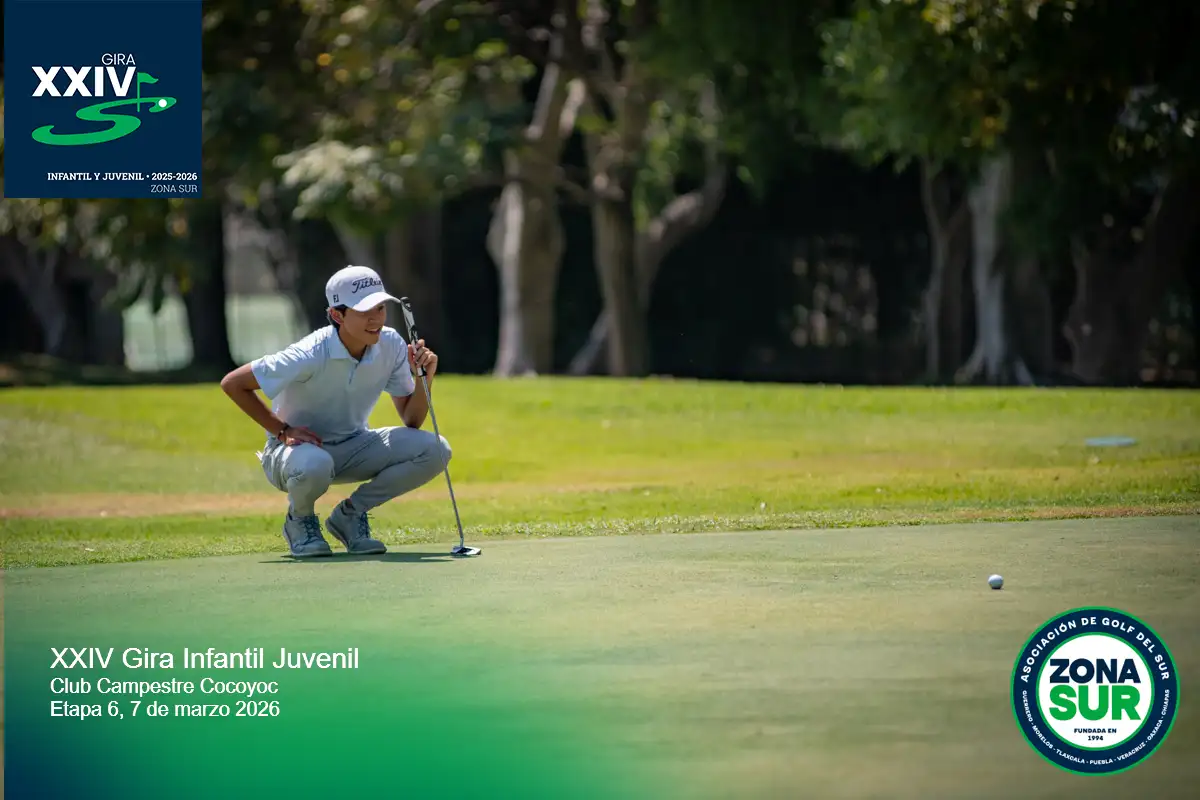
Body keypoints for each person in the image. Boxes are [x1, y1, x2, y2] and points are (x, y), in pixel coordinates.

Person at [220, 265, 451, 558]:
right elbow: (233, 383)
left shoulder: (391, 343)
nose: (376, 318)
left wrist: (424, 378)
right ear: (337, 315)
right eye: (364, 310)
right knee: (315, 464)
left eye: (380, 308)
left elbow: (412, 419)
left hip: (353, 446)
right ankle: (300, 521)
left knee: (436, 449)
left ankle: (350, 515)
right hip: (293, 455)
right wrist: (282, 430)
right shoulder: (310, 352)